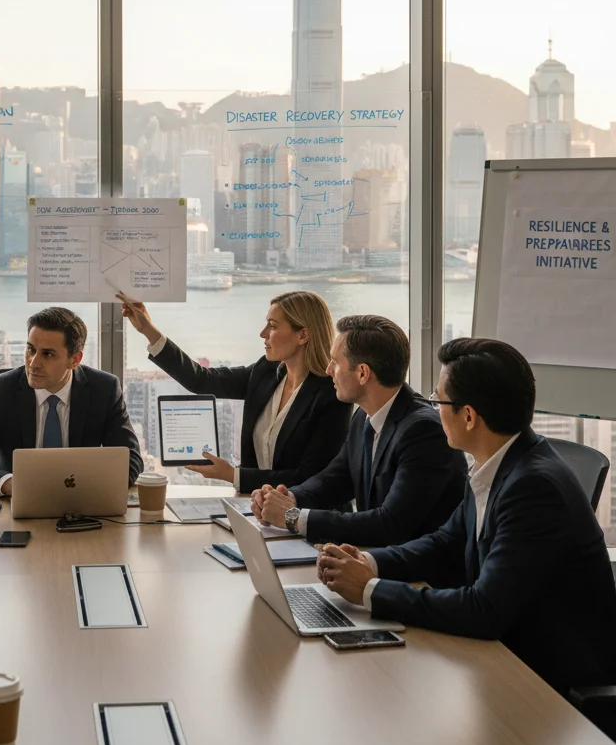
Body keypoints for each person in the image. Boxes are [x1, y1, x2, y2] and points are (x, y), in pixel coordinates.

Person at [317, 338, 616, 696]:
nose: (433, 409)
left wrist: (368, 590)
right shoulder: (500, 463)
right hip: (505, 652)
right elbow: (446, 543)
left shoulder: (534, 487)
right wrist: (367, 561)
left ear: (469, 416)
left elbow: (484, 609)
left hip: (550, 681)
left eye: (439, 400)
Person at [253, 314, 466, 547]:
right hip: (371, 561)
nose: (327, 370)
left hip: (416, 576)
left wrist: (292, 517)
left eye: (335, 362)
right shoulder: (364, 414)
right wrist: (287, 497)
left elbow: (389, 524)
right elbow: (336, 479)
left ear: (363, 373)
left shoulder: (424, 432)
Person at [120, 290, 352, 493]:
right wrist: (148, 330)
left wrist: (233, 475)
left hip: (305, 518)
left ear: (303, 335)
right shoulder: (266, 372)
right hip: (259, 510)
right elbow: (201, 380)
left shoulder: (331, 395)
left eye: (272, 326)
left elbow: (310, 477)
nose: (262, 334)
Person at [0, 307, 143, 494]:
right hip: (15, 505)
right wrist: (12, 485)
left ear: (75, 360)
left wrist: (82, 486)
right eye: (31, 350)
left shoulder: (104, 389)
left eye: (48, 354)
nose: (33, 363)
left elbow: (131, 461)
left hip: (82, 505)